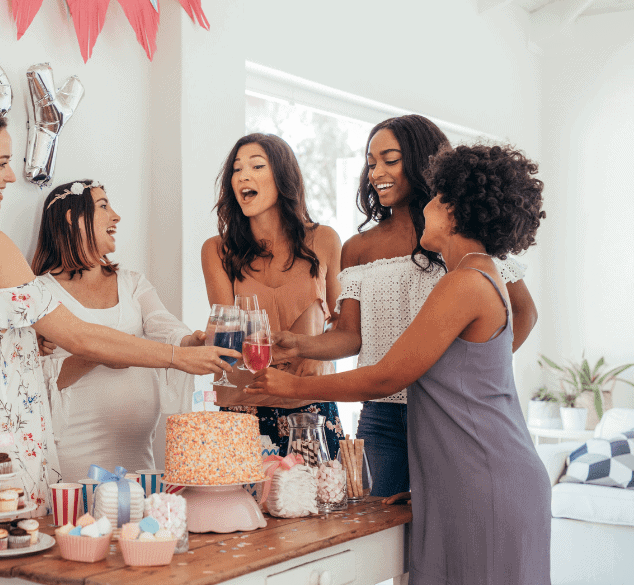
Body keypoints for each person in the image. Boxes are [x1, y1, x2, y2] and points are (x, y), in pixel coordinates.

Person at [0, 102, 237, 515]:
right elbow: (79, 335)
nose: (11, 175)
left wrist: (28, 343)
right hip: (1, 445)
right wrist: (178, 357)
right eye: (2, 162)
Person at [248, 143, 550, 585]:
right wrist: (435, 483)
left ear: (450, 208)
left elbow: (389, 375)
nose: (425, 208)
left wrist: (288, 388)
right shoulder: (476, 276)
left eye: (433, 198)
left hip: (485, 483)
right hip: (478, 479)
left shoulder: (464, 283)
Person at [271, 115, 537, 496]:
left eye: (389, 159)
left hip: (446, 412)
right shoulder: (359, 248)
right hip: (381, 415)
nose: (375, 171)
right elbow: (350, 335)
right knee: (376, 529)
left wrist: (464, 377)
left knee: (441, 524)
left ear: (422, 161)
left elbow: (523, 312)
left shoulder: (464, 238)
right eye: (370, 161)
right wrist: (301, 345)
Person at [31, 180, 204, 482]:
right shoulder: (40, 292)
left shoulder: (131, 282)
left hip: (136, 449)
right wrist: (98, 354)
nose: (116, 216)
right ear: (73, 217)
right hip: (74, 449)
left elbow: (165, 326)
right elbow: (36, 381)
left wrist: (194, 341)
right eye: (103, 206)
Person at [200, 133, 343, 457]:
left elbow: (344, 327)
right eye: (237, 169)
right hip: (242, 409)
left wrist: (312, 352)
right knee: (245, 508)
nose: (243, 176)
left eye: (256, 166)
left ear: (282, 176)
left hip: (310, 406)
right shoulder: (217, 250)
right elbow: (230, 334)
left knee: (320, 506)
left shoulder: (325, 240)